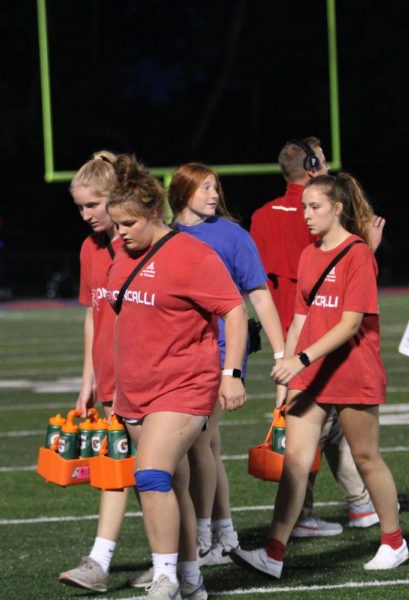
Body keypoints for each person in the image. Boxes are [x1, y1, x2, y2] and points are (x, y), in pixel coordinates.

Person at [232, 172, 408, 577]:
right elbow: (298, 319)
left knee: (366, 458)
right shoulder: (309, 255)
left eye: (315, 207)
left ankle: (393, 541)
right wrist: (288, 369)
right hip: (311, 374)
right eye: (304, 207)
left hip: (352, 370)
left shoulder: (358, 253)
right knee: (295, 462)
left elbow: (349, 325)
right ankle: (274, 553)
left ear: (338, 208)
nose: (306, 215)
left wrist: (302, 360)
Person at [107, 154, 247, 599]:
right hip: (135, 389)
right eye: (115, 224)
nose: (120, 232)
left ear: (154, 212)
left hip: (184, 385)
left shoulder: (191, 254)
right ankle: (191, 579)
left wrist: (232, 373)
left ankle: (163, 576)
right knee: (174, 484)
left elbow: (235, 309)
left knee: (151, 476)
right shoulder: (118, 252)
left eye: (128, 223)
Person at [250, 137, 380, 537]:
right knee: (327, 428)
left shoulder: (262, 216)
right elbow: (347, 279)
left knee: (324, 428)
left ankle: (355, 507)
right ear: (310, 166)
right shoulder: (323, 211)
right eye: (320, 162)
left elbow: (259, 284)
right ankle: (325, 513)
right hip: (322, 334)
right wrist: (370, 249)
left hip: (289, 335)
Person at [168, 163, 285, 566]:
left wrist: (281, 351)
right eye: (204, 188)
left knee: (198, 440)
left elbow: (260, 295)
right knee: (209, 446)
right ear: (182, 192)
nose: (214, 194)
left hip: (221, 354)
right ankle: (224, 534)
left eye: (215, 187)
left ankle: (202, 536)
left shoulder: (233, 235)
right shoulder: (167, 235)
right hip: (180, 354)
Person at [59, 151, 154, 593]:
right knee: (119, 468)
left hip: (153, 377)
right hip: (113, 378)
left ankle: (180, 560)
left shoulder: (139, 242)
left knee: (163, 476)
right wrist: (88, 378)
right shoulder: (89, 248)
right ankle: (105, 562)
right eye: (79, 207)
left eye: (92, 205)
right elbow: (94, 316)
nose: (84, 215)